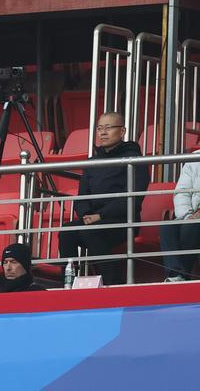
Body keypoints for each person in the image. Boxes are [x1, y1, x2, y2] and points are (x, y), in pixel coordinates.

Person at [58, 112, 150, 285]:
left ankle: (113, 282)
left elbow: (133, 198)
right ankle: (68, 281)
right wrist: (85, 214)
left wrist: (100, 215)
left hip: (123, 220)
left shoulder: (134, 159)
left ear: (122, 131)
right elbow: (82, 197)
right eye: (100, 128)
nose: (103, 132)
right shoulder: (93, 162)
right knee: (67, 231)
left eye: (108, 128)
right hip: (93, 219)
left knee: (90, 231)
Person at [159, 151, 200, 282]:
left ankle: (182, 276)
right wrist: (187, 215)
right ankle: (175, 274)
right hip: (193, 215)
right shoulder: (195, 158)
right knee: (167, 227)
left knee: (192, 227)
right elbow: (181, 192)